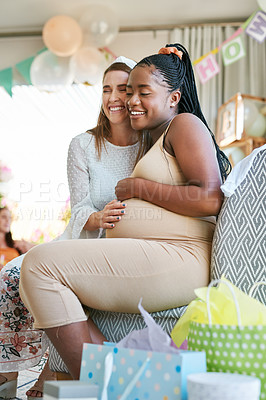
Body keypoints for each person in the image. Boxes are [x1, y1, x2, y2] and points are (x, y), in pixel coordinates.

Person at [19, 43, 231, 380]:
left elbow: (210, 198)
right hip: (163, 255)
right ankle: (122, 379)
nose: (131, 100)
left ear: (174, 98)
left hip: (181, 257)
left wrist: (135, 188)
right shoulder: (157, 135)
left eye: (142, 92)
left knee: (39, 266)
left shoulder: (185, 124)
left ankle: (104, 385)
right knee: (42, 269)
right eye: (128, 91)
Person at [0, 57, 149, 399]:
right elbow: (80, 207)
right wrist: (100, 217)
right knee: (11, 274)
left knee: (63, 288)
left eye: (123, 89)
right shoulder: (82, 145)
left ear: (137, 96)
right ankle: (7, 378)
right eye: (106, 89)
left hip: (121, 246)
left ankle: (48, 372)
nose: (113, 97)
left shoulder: (149, 145)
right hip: (79, 239)